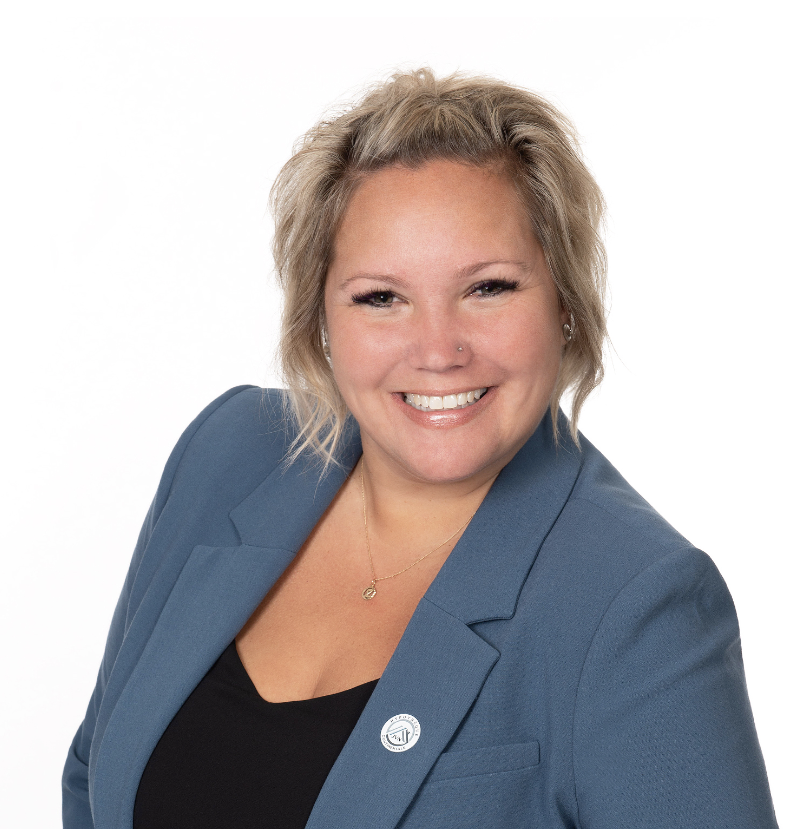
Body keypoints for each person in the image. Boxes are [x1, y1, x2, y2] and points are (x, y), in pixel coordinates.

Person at [62, 68, 777, 829]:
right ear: (321, 323)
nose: (438, 350)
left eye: (489, 288)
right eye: (381, 298)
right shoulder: (228, 454)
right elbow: (93, 777)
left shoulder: (637, 603)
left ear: (566, 302)